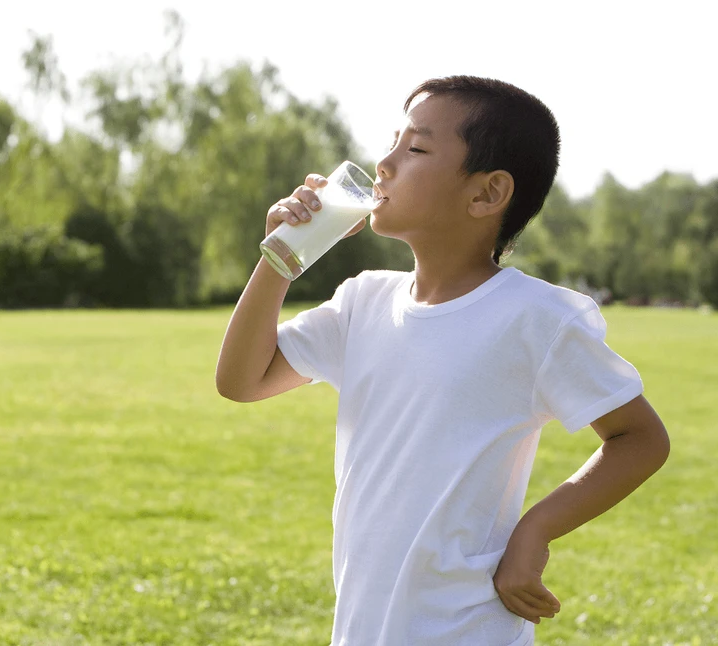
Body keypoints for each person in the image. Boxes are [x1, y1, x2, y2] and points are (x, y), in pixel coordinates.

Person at [215, 75, 670, 646]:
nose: (383, 162)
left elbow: (640, 437)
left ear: (485, 194)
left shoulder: (535, 318)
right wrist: (281, 256)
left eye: (417, 149)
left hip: (466, 627)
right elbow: (241, 380)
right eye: (393, 141)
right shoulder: (362, 302)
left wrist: (534, 533)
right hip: (365, 627)